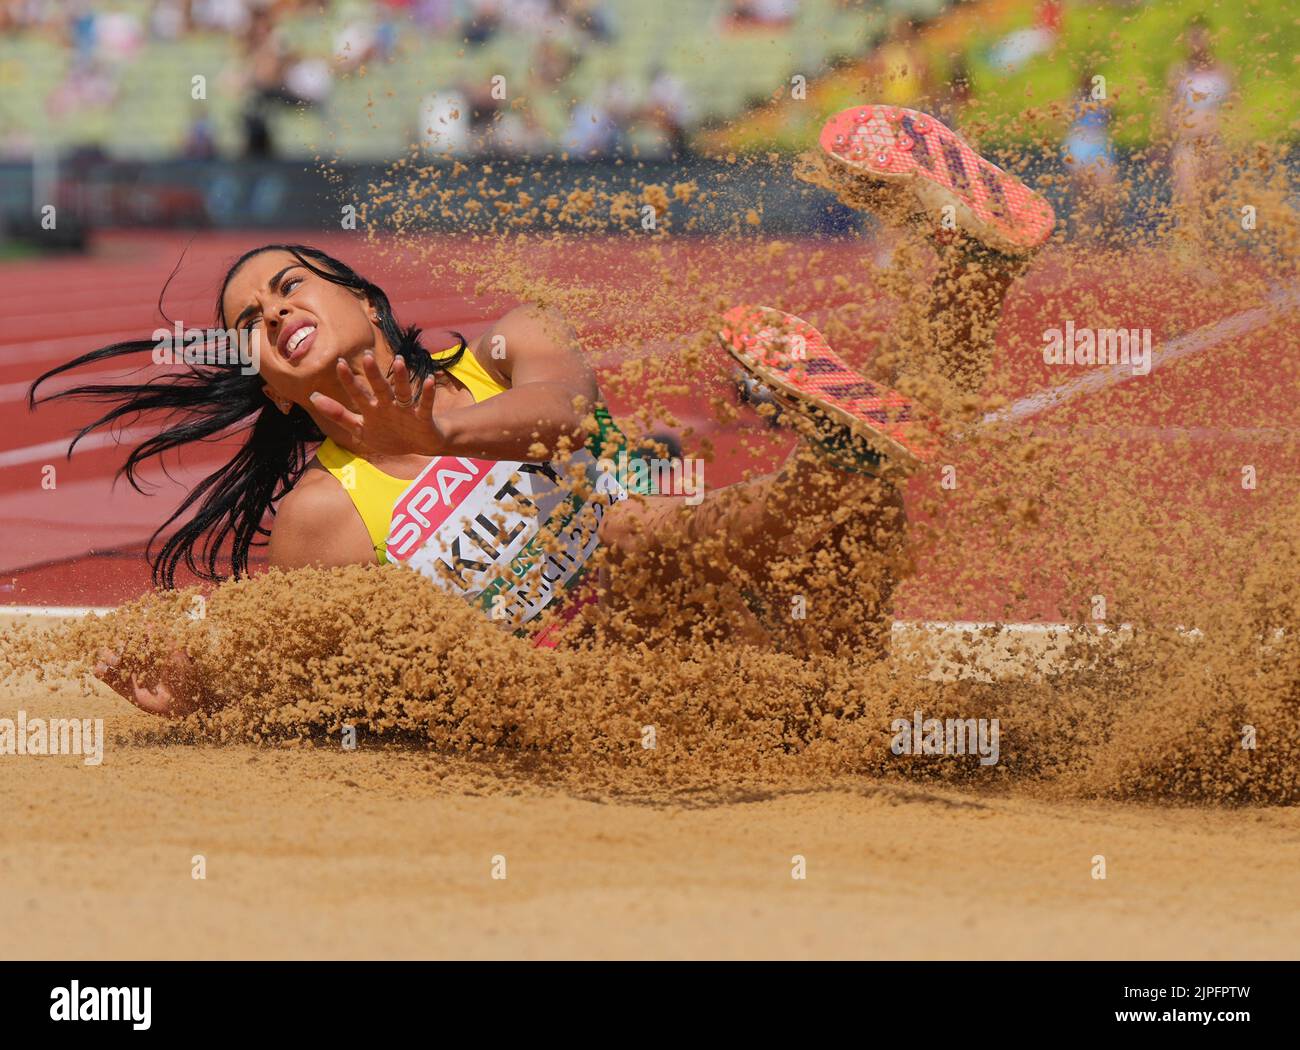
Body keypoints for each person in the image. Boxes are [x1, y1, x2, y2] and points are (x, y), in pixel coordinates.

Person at [30, 103, 1053, 716]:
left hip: (763, 607)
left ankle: (967, 272)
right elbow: (336, 662)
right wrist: (207, 695)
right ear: (269, 384)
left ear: (360, 297)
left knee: (796, 510)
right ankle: (921, 348)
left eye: (291, 284)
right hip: (641, 694)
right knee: (676, 529)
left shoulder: (519, 342)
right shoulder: (318, 520)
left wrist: (433, 434)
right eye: (252, 319)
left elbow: (562, 420)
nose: (275, 310)